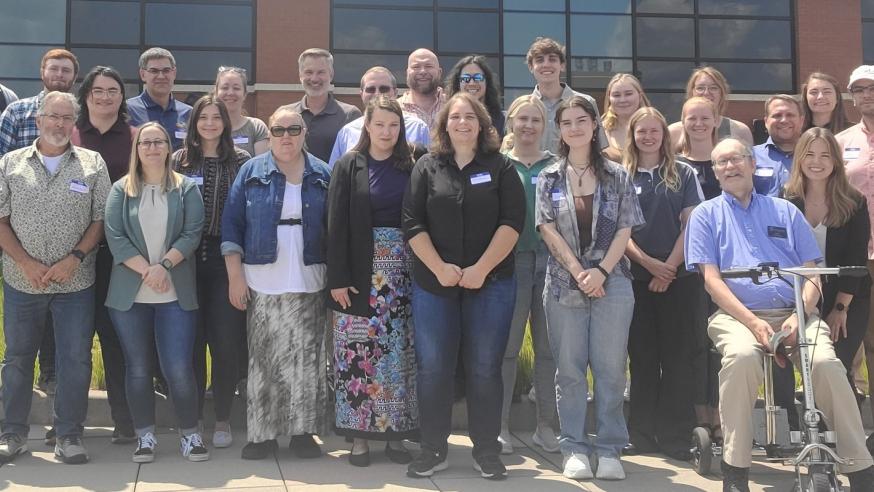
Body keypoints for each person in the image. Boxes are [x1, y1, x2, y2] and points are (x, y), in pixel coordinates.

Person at [684, 137, 874, 491]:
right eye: (721, 162)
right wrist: (755, 324)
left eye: (738, 159)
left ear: (752, 165)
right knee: (741, 359)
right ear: (715, 170)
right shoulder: (705, 216)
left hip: (795, 312)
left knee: (827, 365)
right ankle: (736, 469)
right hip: (738, 317)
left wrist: (797, 316)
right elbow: (712, 281)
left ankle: (860, 467)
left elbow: (811, 273)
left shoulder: (786, 211)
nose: (731, 167)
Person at [402, 92, 525, 480]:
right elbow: (412, 223)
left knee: (485, 367)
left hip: (490, 284)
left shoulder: (501, 167)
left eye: (470, 116)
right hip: (433, 285)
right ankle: (433, 448)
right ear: (444, 124)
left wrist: (480, 269)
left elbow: (512, 223)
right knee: (433, 367)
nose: (462, 122)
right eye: (455, 116)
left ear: (482, 124)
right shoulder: (427, 166)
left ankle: (486, 450)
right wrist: (439, 268)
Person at [535, 95, 643, 481]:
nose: (575, 128)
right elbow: (547, 229)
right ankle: (574, 446)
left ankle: (610, 447)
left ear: (594, 125)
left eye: (582, 120)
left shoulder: (618, 174)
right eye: (567, 122)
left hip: (612, 283)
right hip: (565, 284)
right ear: (560, 129)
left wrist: (600, 271)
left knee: (612, 369)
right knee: (570, 370)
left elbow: (625, 228)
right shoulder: (549, 177)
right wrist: (581, 271)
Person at [0, 91, 111, 464]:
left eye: (67, 118)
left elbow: (101, 219)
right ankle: (12, 434)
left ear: (74, 123)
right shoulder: (9, 164)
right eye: (53, 117)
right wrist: (26, 263)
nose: (60, 124)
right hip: (21, 280)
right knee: (17, 358)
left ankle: (68, 435)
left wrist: (74, 258)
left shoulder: (92, 164)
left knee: (75, 359)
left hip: (75, 283)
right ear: (38, 120)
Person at [222, 105, 331, 461]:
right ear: (268, 134)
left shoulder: (323, 173)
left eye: (293, 129)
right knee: (264, 359)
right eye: (279, 130)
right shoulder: (251, 171)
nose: (286, 137)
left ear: (304, 133)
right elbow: (232, 226)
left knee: (307, 359)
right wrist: (235, 276)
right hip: (262, 277)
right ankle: (263, 435)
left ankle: (302, 432)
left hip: (310, 277)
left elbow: (336, 229)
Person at [104, 122, 206, 463]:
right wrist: (148, 270)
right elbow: (115, 237)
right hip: (130, 296)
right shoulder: (121, 189)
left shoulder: (186, 188)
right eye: (145, 142)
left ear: (168, 147)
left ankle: (190, 435)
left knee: (178, 367)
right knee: (137, 367)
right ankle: (145, 436)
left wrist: (164, 265)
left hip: (175, 292)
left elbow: (192, 233)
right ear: (137, 148)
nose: (151, 147)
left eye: (158, 141)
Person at [327, 96, 418, 467]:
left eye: (393, 125)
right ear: (367, 126)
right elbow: (334, 224)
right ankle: (360, 438)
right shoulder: (350, 165)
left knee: (398, 358)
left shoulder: (414, 162)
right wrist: (338, 278)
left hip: (405, 274)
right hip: (360, 273)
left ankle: (395, 437)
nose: (386, 132)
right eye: (380, 125)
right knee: (358, 356)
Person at [622, 107, 701, 460]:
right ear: (633, 135)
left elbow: (692, 225)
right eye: (642, 131)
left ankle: (675, 438)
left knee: (678, 359)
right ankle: (640, 435)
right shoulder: (620, 175)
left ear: (664, 136)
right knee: (641, 358)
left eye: (655, 131)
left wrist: (668, 267)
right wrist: (649, 264)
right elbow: (618, 231)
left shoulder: (682, 173)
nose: (649, 137)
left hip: (679, 280)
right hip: (635, 279)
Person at [172, 95, 250, 449]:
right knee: (191, 342)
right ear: (194, 123)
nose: (209, 124)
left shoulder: (242, 161)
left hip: (226, 260)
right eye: (202, 117)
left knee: (225, 342)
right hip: (184, 261)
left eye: (215, 117)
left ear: (225, 122)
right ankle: (194, 420)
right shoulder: (179, 161)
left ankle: (222, 418)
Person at [72, 66, 137, 444]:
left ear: (122, 96)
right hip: (71, 252)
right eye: (98, 90)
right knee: (74, 339)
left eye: (113, 90)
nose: (105, 96)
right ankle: (69, 424)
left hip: (118, 254)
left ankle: (124, 421)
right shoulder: (72, 134)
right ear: (86, 94)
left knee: (115, 338)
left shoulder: (132, 137)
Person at [782, 127, 871, 393]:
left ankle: (845, 431)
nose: (817, 162)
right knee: (804, 366)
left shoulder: (854, 202)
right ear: (799, 158)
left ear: (835, 160)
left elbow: (856, 259)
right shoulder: (786, 199)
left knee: (837, 366)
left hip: (846, 296)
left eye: (825, 155)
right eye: (810, 154)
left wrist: (840, 309)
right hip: (798, 296)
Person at [497, 95, 558, 455]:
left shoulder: (556, 166)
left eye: (536, 120)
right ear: (511, 124)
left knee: (548, 352)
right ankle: (501, 426)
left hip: (550, 264)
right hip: (511, 264)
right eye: (523, 119)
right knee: (507, 350)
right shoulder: (500, 165)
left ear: (544, 126)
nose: (529, 126)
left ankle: (545, 427)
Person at [676, 96, 723, 441]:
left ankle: (723, 414)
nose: (698, 124)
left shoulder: (728, 161)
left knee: (721, 345)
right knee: (693, 340)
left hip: (728, 270)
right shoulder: (676, 165)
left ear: (716, 120)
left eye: (704, 117)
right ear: (683, 121)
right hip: (688, 270)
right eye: (691, 118)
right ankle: (698, 415)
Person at [838, 65, 874, 423]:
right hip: (855, 255)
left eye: (872, 87)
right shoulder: (841, 142)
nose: (866, 95)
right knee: (854, 338)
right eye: (859, 89)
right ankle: (855, 417)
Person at [329, 67, 429, 167]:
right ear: (361, 94)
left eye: (384, 89)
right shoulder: (347, 132)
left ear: (395, 93)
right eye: (370, 89)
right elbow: (335, 173)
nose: (377, 94)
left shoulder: (418, 128)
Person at [526, 37, 605, 154]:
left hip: (576, 171)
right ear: (531, 67)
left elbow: (600, 148)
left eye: (552, 59)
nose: (546, 64)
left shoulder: (586, 102)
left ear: (562, 65)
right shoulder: (523, 108)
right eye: (539, 60)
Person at [0, 49, 79, 155]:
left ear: (75, 77)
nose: (59, 74)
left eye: (66, 70)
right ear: (42, 73)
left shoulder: (83, 114)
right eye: (54, 69)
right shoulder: (17, 112)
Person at [290, 49, 362, 163]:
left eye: (321, 72)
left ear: (331, 75)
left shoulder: (350, 115)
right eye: (309, 72)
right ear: (300, 76)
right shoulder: (286, 114)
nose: (314, 78)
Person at [668, 67, 754, 149]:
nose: (706, 93)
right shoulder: (673, 132)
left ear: (722, 93)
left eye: (713, 88)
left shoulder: (740, 131)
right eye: (700, 88)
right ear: (692, 92)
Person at [127, 47, 192, 150]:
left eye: (166, 70)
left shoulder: (189, 113)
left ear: (174, 73)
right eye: (154, 71)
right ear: (143, 74)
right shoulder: (128, 110)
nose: (161, 76)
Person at [751, 95, 803, 196]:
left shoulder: (814, 156)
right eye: (777, 115)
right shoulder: (750, 156)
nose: (784, 120)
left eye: (790, 115)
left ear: (801, 121)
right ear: (766, 122)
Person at [214, 66, 268, 157]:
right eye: (225, 88)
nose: (230, 93)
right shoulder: (207, 127)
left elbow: (261, 167)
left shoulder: (256, 127)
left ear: (245, 94)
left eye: (236, 88)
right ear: (216, 93)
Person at [445, 55, 504, 136]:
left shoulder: (501, 121)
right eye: (466, 78)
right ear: (458, 83)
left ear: (487, 82)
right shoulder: (447, 118)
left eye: (478, 78)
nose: (472, 83)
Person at [601, 74, 651, 162]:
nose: (622, 100)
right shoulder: (599, 131)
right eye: (616, 95)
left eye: (628, 94)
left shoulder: (655, 127)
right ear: (609, 98)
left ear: (640, 96)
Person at [398, 49, 444, 128]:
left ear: (439, 72)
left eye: (428, 66)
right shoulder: (395, 109)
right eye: (416, 67)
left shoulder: (454, 106)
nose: (422, 71)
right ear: (407, 73)